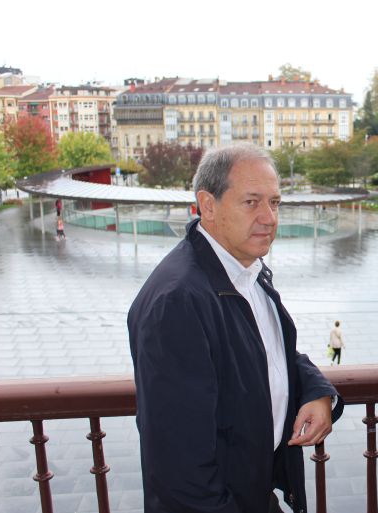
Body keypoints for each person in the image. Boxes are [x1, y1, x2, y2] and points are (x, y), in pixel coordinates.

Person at [128, 143, 343, 513]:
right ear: (207, 205)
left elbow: (268, 350)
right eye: (251, 202)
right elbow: (181, 470)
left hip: (255, 494)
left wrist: (317, 391)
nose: (269, 217)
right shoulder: (179, 301)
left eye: (274, 203)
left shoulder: (245, 270)